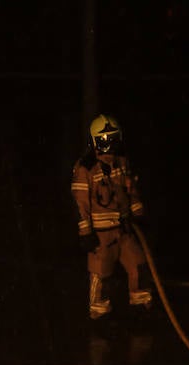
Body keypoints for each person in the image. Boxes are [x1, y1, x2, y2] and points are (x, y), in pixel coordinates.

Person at [71, 114, 152, 320]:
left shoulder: (121, 162)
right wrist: (86, 233)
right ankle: (99, 317)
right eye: (103, 142)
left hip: (124, 230)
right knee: (101, 276)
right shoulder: (85, 168)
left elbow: (131, 191)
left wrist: (138, 214)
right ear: (94, 142)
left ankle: (140, 308)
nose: (108, 147)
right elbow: (81, 204)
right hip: (101, 237)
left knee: (139, 266)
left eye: (112, 140)